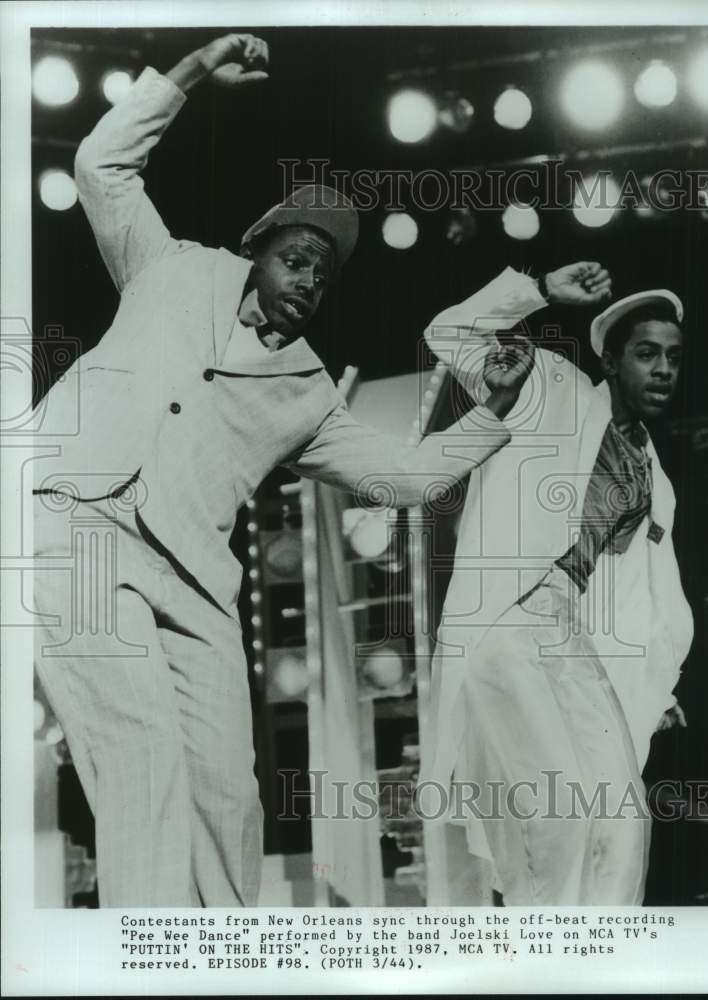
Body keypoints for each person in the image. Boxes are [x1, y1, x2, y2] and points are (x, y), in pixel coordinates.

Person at [31, 34, 607, 908]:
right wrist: (188, 75)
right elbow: (102, 163)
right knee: (141, 752)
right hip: (73, 522)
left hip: (191, 578)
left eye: (323, 273)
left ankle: (223, 959)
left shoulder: (305, 393)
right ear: (256, 249)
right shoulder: (170, 267)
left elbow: (405, 480)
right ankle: (141, 963)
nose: (306, 280)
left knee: (229, 790)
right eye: (295, 257)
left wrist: (492, 409)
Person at [420, 270, 693, 906]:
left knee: (623, 820)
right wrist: (539, 288)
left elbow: (649, 594)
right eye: (647, 353)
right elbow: (447, 331)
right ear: (609, 357)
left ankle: (602, 965)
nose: (663, 370)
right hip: (507, 620)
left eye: (674, 359)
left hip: (569, 634)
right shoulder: (552, 387)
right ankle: (544, 965)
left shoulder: (656, 477)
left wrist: (659, 687)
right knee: (562, 814)